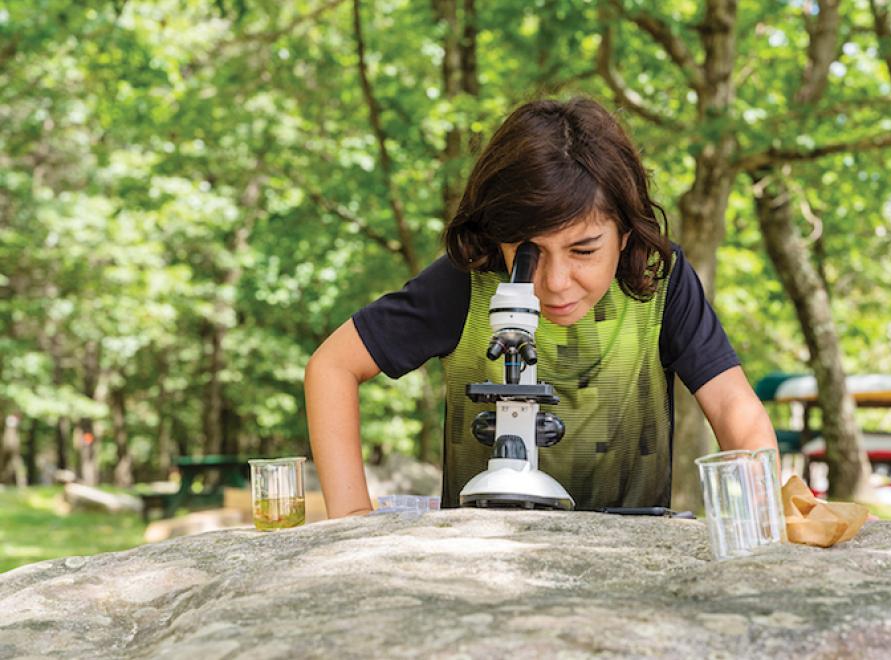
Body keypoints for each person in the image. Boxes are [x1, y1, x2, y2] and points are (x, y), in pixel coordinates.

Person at [305, 97, 777, 518]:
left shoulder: (661, 282)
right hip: (480, 560)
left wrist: (769, 508)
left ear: (626, 233)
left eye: (584, 251)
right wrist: (350, 520)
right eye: (528, 253)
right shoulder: (469, 280)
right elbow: (333, 366)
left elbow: (734, 406)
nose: (554, 283)